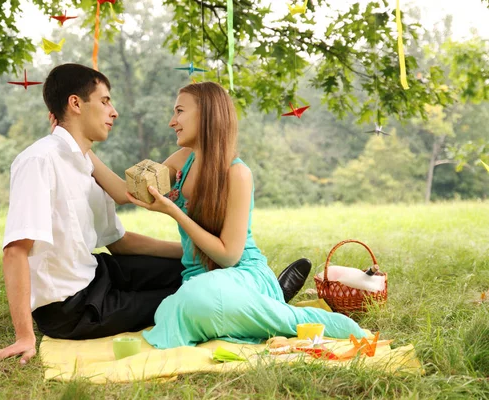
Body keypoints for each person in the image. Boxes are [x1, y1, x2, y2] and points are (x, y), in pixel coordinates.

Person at [122, 82, 368, 348]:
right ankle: (261, 307)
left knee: (195, 300)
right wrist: (84, 153)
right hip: (202, 281)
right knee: (172, 309)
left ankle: (299, 318)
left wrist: (174, 212)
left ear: (206, 114)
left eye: (179, 111)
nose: (172, 122)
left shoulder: (237, 173)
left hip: (241, 273)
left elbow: (229, 256)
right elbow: (128, 190)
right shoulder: (182, 160)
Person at [0, 64, 184, 365]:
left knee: (191, 270)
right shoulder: (39, 161)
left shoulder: (83, 161)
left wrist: (190, 251)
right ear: (75, 103)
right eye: (104, 101)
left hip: (96, 272)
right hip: (73, 308)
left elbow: (120, 242)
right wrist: (24, 336)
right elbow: (14, 252)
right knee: (187, 297)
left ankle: (257, 285)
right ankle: (266, 299)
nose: (113, 112)